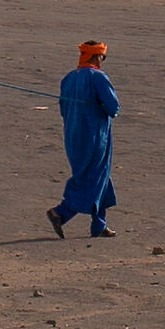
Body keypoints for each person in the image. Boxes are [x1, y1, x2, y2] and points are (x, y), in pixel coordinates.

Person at [47, 40, 119, 238]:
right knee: (90, 176)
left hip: (72, 135)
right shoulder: (98, 78)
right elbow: (113, 108)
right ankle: (62, 212)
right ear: (96, 57)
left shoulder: (68, 78)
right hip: (95, 136)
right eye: (102, 57)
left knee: (99, 175)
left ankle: (99, 224)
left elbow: (63, 110)